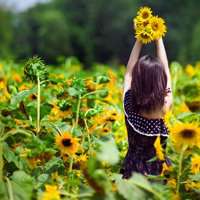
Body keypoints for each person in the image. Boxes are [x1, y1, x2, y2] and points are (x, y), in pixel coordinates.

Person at [120, 38, 172, 179]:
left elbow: (128, 74)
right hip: (160, 170)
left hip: (133, 171)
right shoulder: (164, 106)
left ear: (138, 79)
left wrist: (139, 40)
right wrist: (159, 39)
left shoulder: (130, 105)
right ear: (160, 81)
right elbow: (166, 70)